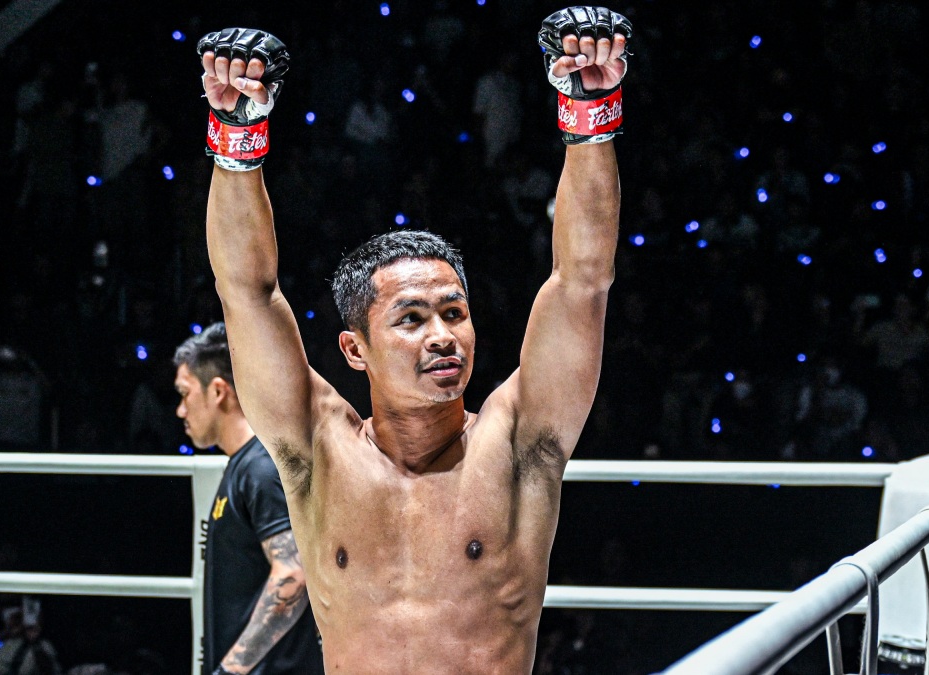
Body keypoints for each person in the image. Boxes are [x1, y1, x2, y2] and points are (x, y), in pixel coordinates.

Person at [194, 6, 628, 671]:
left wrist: (590, 112)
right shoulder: (318, 450)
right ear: (355, 350)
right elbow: (246, 292)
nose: (442, 337)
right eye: (412, 319)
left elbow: (583, 281)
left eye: (454, 313)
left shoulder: (520, 444)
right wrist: (236, 133)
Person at [173, 325, 320, 675]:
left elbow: (293, 573)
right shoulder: (245, 465)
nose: (180, 410)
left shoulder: (260, 468)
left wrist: (232, 669)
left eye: (185, 394)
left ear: (218, 391)